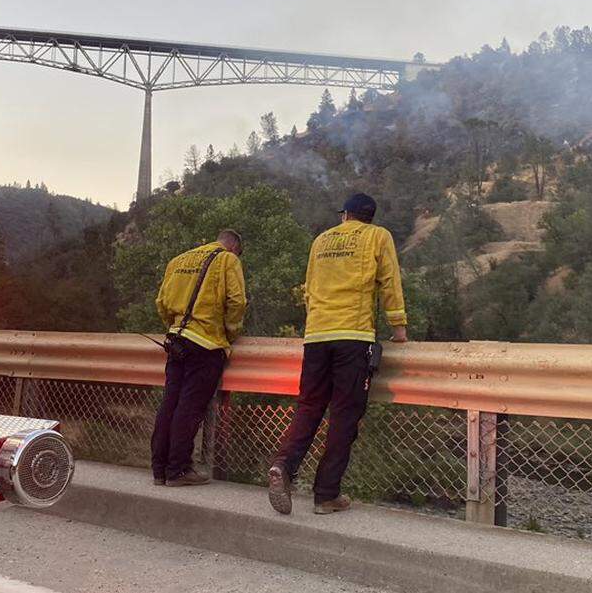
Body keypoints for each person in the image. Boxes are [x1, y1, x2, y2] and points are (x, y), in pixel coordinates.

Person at [268, 193, 407, 515]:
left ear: (345, 215)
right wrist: (398, 327)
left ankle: (283, 466)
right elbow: (389, 282)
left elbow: (309, 287)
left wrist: (314, 324)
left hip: (316, 335)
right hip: (353, 336)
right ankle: (326, 495)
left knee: (308, 407)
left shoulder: (321, 240)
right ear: (369, 216)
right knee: (344, 415)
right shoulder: (378, 236)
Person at [151, 229, 247, 487]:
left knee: (169, 403)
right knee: (190, 407)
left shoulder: (179, 260)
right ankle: (179, 470)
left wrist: (174, 325)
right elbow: (236, 301)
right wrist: (230, 332)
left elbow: (161, 302)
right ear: (235, 247)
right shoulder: (228, 260)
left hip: (176, 340)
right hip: (206, 343)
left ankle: (159, 469)